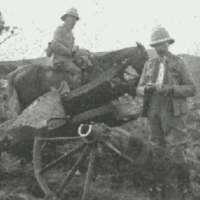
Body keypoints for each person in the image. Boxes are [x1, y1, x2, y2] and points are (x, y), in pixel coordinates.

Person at [137, 25, 196, 199]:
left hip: (173, 111)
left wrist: (170, 88)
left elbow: (191, 88)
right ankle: (158, 188)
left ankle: (185, 189)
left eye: (160, 43)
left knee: (178, 150)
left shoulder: (179, 63)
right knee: (157, 149)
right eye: (155, 45)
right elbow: (138, 88)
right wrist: (145, 89)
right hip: (154, 111)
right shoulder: (149, 64)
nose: (158, 47)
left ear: (168, 43)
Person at [50, 7, 82, 90]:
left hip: (68, 60)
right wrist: (69, 51)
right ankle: (75, 94)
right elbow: (55, 44)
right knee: (77, 71)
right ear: (67, 18)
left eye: (75, 19)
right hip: (60, 61)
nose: (74, 22)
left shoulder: (70, 33)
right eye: (73, 19)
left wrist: (75, 50)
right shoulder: (60, 29)